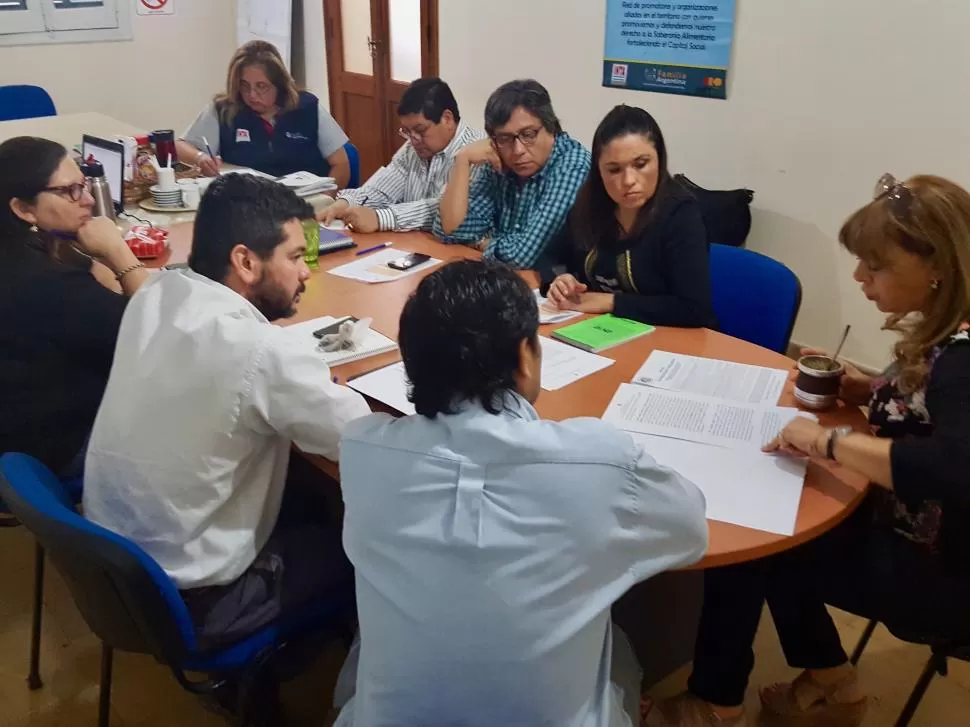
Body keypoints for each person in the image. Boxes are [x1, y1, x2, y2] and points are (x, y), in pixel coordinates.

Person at [648, 174, 970, 727]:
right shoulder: (948, 337)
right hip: (906, 523)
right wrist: (863, 389)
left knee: (760, 538)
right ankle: (830, 678)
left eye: (877, 265)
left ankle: (716, 701)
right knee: (778, 509)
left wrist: (830, 440)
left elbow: (952, 467)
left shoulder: (964, 363)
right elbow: (926, 409)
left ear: (937, 265)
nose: (860, 277)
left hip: (938, 568)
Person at [335, 259, 709, 726]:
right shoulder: (600, 461)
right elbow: (691, 532)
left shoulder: (362, 447)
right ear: (526, 356)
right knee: (622, 652)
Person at [83, 174, 371, 649]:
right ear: (245, 261)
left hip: (114, 567)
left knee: (301, 487)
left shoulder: (153, 295)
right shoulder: (261, 351)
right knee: (362, 544)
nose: (306, 273)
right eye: (296, 257)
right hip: (197, 599)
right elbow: (359, 439)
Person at [0, 136, 149, 476]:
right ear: (23, 208)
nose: (87, 200)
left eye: (83, 185)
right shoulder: (48, 285)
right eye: (70, 191)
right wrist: (118, 252)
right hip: (56, 449)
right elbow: (156, 335)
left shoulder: (20, 253)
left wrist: (88, 256)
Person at [541, 105, 717, 328]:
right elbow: (550, 257)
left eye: (641, 164)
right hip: (601, 332)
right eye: (614, 170)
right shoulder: (590, 204)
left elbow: (694, 309)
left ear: (660, 160)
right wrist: (559, 279)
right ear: (599, 171)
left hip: (675, 342)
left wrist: (611, 302)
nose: (628, 181)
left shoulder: (681, 213)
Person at [433, 79, 591, 268]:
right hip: (502, 278)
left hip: (552, 288)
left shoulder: (572, 166)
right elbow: (449, 231)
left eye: (528, 134)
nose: (517, 151)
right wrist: (463, 160)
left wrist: (482, 242)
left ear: (551, 127)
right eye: (504, 138)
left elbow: (521, 256)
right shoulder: (496, 157)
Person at [320, 77, 485, 233]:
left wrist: (381, 218)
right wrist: (346, 203)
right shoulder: (412, 148)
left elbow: (444, 211)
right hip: (416, 246)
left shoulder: (476, 153)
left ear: (447, 119)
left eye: (420, 131)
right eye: (407, 131)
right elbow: (382, 190)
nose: (414, 140)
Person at [176, 40, 351, 186]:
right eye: (244, 86)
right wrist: (200, 158)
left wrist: (326, 201)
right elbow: (180, 146)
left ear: (279, 84)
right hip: (247, 205)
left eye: (261, 86)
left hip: (304, 203)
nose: (252, 95)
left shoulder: (306, 107)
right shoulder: (224, 110)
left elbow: (341, 164)